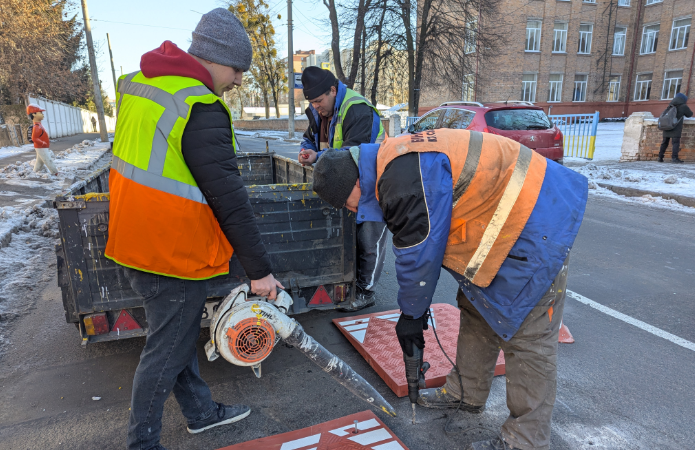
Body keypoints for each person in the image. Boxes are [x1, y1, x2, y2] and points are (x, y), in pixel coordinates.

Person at [312, 129, 588, 450]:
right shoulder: (391, 161)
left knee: (528, 334)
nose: (352, 211)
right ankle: (465, 393)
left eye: (347, 204)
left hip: (538, 219)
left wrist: (412, 317)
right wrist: (412, 314)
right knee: (476, 303)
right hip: (504, 218)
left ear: (356, 184)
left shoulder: (400, 182)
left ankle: (525, 442)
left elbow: (417, 254)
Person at [104, 9, 283, 450]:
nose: (240, 79)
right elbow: (229, 199)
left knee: (174, 339)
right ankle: (141, 444)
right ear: (217, 58)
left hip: (135, 240)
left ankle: (201, 414)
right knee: (166, 351)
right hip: (173, 255)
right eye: (239, 68)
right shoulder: (199, 105)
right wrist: (259, 271)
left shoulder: (141, 84)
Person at [297, 66, 388, 311]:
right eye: (312, 102)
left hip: (373, 182)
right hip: (348, 183)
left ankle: (366, 291)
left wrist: (318, 157)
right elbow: (309, 137)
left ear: (333, 90)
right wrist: (307, 149)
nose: (316, 106)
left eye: (319, 101)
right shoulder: (318, 112)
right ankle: (351, 281)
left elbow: (352, 155)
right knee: (350, 237)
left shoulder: (356, 109)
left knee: (369, 240)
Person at [659, 92, 692, 163]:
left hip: (667, 126)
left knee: (664, 142)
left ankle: (660, 157)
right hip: (675, 127)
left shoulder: (670, 105)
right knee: (675, 143)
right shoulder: (683, 106)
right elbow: (689, 114)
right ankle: (674, 158)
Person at [26, 104, 59, 175]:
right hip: (41, 147)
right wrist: (43, 143)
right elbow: (34, 138)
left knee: (39, 161)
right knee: (48, 160)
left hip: (42, 146)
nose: (42, 114)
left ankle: (35, 172)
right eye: (40, 113)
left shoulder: (39, 125)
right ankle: (55, 172)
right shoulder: (36, 127)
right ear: (34, 114)